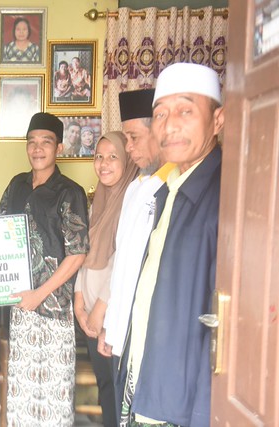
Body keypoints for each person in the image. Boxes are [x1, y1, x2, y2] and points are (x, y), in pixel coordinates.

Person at [118, 63, 224, 426]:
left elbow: (224, 326)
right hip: (146, 383)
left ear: (218, 120)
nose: (169, 125)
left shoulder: (225, 195)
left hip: (180, 406)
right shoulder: (169, 190)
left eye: (185, 111)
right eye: (160, 114)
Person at [0, 112, 89, 426]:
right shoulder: (16, 185)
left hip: (54, 308)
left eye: (46, 142)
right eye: (32, 142)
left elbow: (77, 253)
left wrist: (40, 294)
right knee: (22, 391)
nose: (37, 148)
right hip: (20, 303)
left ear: (59, 148)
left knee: (53, 393)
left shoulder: (69, 192)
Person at [100, 89, 176, 419]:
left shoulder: (173, 188)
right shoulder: (136, 187)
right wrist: (111, 327)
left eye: (133, 138)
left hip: (149, 337)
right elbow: (123, 267)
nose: (128, 148)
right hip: (122, 332)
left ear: (158, 131)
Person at [73, 131, 138, 427]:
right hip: (91, 316)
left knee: (117, 392)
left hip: (111, 316)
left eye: (113, 156)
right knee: (106, 389)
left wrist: (101, 310)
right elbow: (82, 252)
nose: (104, 163)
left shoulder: (133, 201)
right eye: (99, 156)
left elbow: (123, 262)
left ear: (127, 160)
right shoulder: (97, 200)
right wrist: (79, 302)